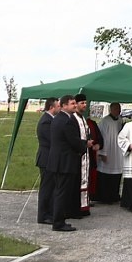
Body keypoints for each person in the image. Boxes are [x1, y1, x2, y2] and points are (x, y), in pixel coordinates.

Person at [47, 94, 92, 232]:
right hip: (64, 162)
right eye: (72, 103)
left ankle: (59, 219)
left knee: (59, 192)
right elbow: (73, 141)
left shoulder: (58, 119)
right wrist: (85, 145)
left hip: (57, 161)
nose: (75, 105)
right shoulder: (67, 121)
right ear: (64, 105)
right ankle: (59, 222)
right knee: (61, 193)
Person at [35, 97, 60, 225]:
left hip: (51, 159)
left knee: (51, 187)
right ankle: (43, 215)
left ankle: (50, 212)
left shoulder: (51, 120)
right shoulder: (46, 122)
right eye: (58, 106)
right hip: (46, 159)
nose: (59, 108)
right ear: (51, 107)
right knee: (46, 188)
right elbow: (52, 140)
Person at [69, 93, 95, 216]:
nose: (84, 105)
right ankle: (75, 208)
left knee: (85, 179)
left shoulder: (83, 118)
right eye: (82, 103)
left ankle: (84, 206)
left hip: (86, 154)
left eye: (85, 103)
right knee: (77, 181)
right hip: (77, 155)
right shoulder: (73, 118)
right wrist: (85, 143)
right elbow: (73, 138)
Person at [95, 102, 124, 204]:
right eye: (116, 109)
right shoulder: (105, 121)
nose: (118, 111)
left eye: (119, 109)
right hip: (108, 150)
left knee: (116, 175)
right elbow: (101, 137)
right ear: (111, 109)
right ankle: (105, 197)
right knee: (105, 175)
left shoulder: (120, 120)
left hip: (117, 151)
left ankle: (115, 195)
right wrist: (103, 153)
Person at [84, 110, 104, 208]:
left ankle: (89, 197)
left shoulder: (92, 123)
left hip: (91, 154)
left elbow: (99, 138)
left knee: (91, 175)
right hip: (81, 154)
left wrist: (98, 145)